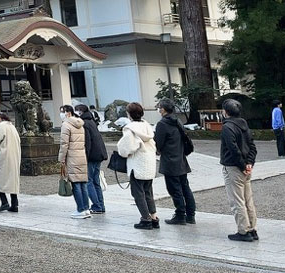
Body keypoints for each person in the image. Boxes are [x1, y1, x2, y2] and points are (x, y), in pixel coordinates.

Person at [220, 98, 258, 242]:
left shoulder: (227, 127)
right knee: (248, 199)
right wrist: (249, 163)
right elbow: (252, 146)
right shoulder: (244, 125)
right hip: (245, 166)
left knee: (237, 200)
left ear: (226, 112)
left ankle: (243, 230)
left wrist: (242, 166)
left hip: (233, 167)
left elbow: (233, 149)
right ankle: (252, 228)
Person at [154, 98, 195, 225]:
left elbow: (158, 143)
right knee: (185, 187)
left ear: (163, 109)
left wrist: (157, 150)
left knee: (174, 189)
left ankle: (180, 214)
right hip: (181, 159)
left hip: (170, 160)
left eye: (160, 107)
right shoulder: (177, 121)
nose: (159, 109)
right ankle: (190, 214)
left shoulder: (162, 124)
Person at [117, 102, 158, 230]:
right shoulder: (147, 126)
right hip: (149, 163)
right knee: (148, 192)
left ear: (129, 114)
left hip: (137, 164)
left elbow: (125, 149)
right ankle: (154, 217)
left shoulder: (130, 129)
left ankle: (145, 219)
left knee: (138, 193)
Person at [58, 104, 90, 219]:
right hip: (81, 155)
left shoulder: (66, 125)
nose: (61, 114)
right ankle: (86, 208)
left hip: (72, 156)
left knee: (75, 183)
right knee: (82, 183)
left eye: (62, 111)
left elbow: (64, 144)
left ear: (68, 112)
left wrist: (61, 158)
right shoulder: (80, 124)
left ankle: (80, 209)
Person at [75, 103, 107, 215]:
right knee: (96, 181)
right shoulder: (91, 121)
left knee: (89, 181)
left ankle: (96, 205)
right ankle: (100, 205)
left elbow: (87, 142)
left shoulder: (84, 124)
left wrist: (85, 157)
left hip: (91, 155)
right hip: (98, 154)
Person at [0, 112, 21, 213]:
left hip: (3, 156)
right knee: (12, 181)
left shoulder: (1, 126)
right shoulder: (12, 126)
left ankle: (4, 202)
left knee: (0, 179)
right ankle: (14, 204)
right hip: (14, 156)